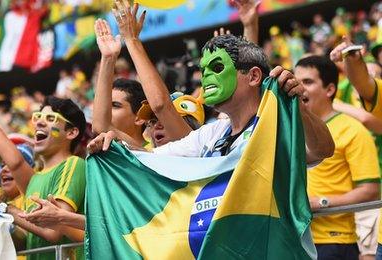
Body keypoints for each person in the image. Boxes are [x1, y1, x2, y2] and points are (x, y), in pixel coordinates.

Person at [90, 0, 333, 163]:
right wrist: (109, 58)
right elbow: (146, 155)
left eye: (216, 68)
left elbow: (322, 150)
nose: (206, 77)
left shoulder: (278, 124)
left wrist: (300, 109)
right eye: (203, 69)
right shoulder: (210, 136)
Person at [0, 87, 86, 260]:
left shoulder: (73, 164)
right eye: (38, 117)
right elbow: (15, 162)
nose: (39, 123)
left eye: (51, 118)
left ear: (71, 132)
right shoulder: (36, 178)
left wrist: (1, 205)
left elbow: (53, 231)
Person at [294, 55, 381, 260]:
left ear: (330, 89)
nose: (299, 88)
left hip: (334, 242)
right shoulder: (291, 128)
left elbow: (370, 190)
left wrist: (321, 202)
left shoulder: (353, 130)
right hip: (295, 238)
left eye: (307, 82)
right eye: (296, 81)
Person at [91, 18, 148, 149]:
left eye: (115, 106)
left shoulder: (154, 150)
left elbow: (100, 125)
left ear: (139, 118)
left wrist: (108, 59)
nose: (105, 110)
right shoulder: (104, 151)